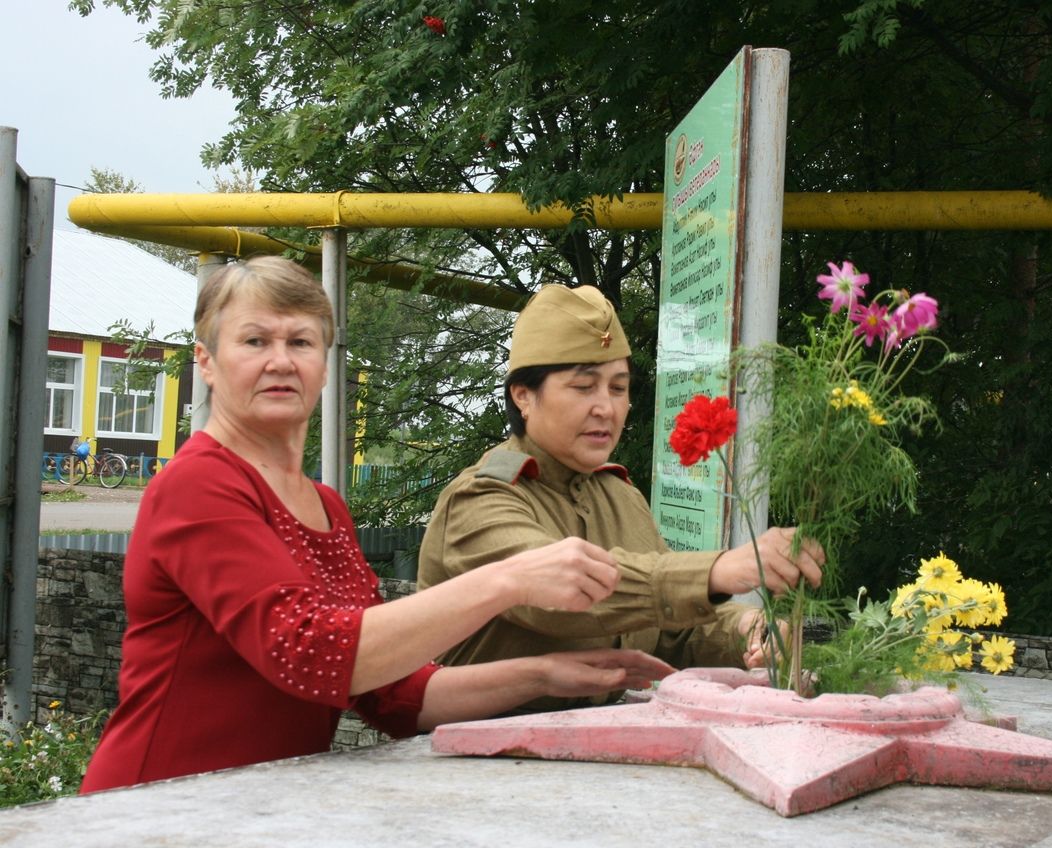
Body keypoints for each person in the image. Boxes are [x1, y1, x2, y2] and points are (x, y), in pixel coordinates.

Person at [80, 257, 673, 794]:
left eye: (302, 341)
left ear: (325, 363)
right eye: (255, 340)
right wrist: (509, 580)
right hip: (154, 807)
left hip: (256, 810)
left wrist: (547, 674)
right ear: (206, 361)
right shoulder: (199, 484)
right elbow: (307, 651)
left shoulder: (325, 506)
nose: (281, 360)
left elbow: (390, 695)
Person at [417, 284, 824, 711]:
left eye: (617, 388)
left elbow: (670, 631)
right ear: (523, 395)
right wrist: (718, 570)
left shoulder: (621, 497)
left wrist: (745, 629)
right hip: (472, 761)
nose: (606, 409)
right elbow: (557, 594)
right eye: (583, 387)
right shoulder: (480, 499)